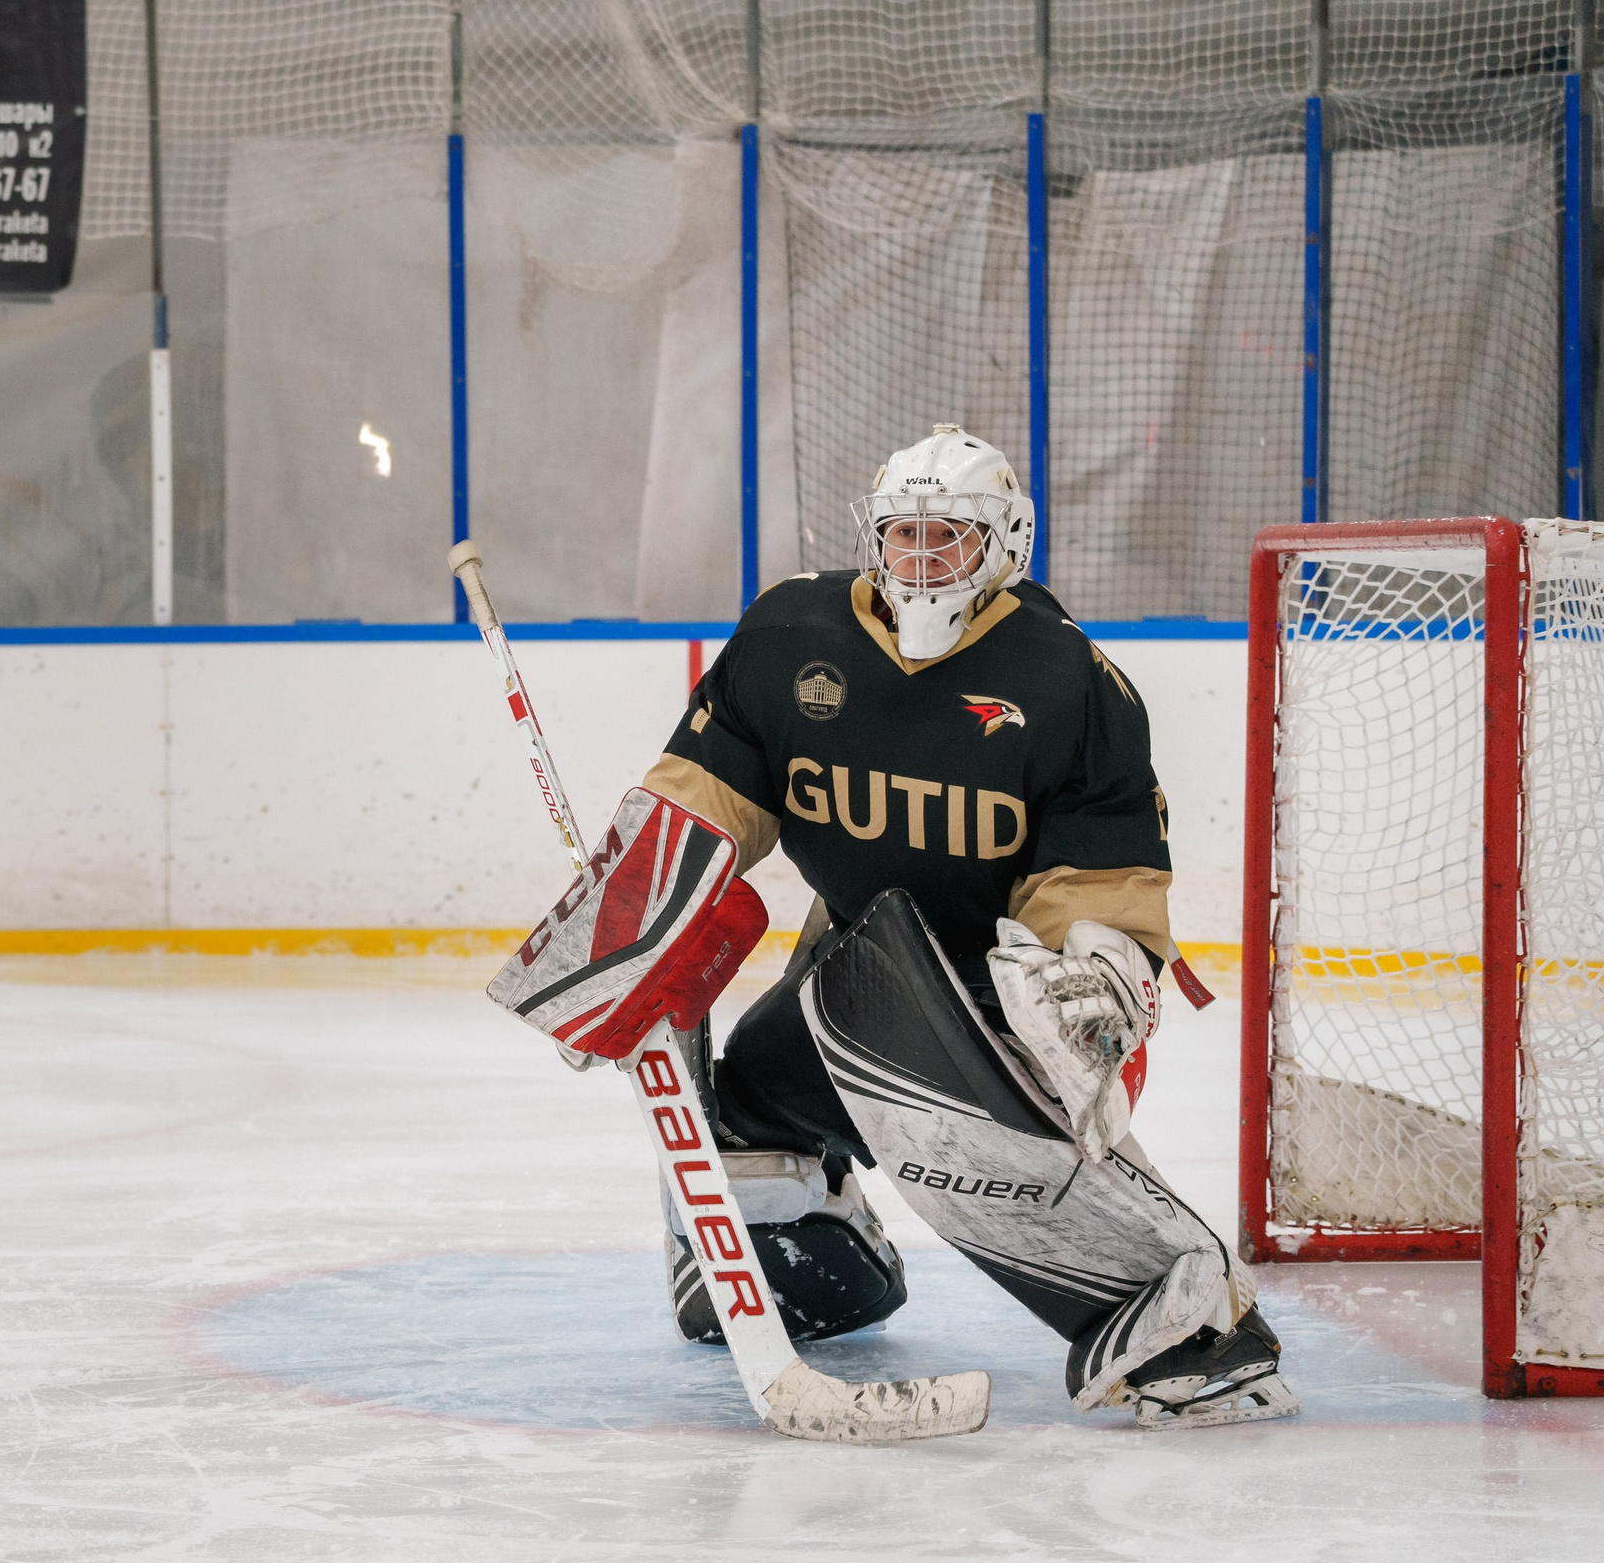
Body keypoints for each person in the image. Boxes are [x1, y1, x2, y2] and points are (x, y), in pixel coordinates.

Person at [493, 424, 1296, 1430]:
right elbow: (704, 801)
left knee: (961, 1115)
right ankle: (810, 1270)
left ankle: (1195, 1334)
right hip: (859, 976)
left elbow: (1099, 880)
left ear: (1002, 544)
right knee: (744, 1121)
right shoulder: (790, 637)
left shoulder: (1069, 682)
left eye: (947, 536)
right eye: (903, 534)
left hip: (1012, 1009)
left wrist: (1090, 985)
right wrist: (622, 931)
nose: (920, 558)